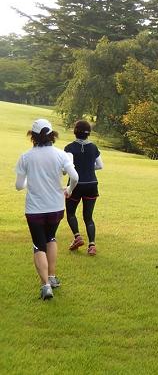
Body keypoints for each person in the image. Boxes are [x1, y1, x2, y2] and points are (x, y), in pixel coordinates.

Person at [15, 119, 78, 300]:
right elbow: (74, 177)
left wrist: (29, 181)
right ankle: (52, 276)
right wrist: (69, 190)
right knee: (51, 238)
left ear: (32, 136)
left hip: (35, 209)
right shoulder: (61, 155)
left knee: (38, 245)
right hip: (56, 207)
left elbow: (19, 185)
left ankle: (46, 286)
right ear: (52, 134)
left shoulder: (26, 157)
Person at [64, 120, 103, 256]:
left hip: (76, 185)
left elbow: (68, 167)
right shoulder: (93, 147)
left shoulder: (69, 148)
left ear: (75, 131)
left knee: (70, 213)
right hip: (92, 184)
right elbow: (100, 166)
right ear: (88, 133)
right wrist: (88, 168)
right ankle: (92, 245)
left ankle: (77, 237)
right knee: (88, 217)